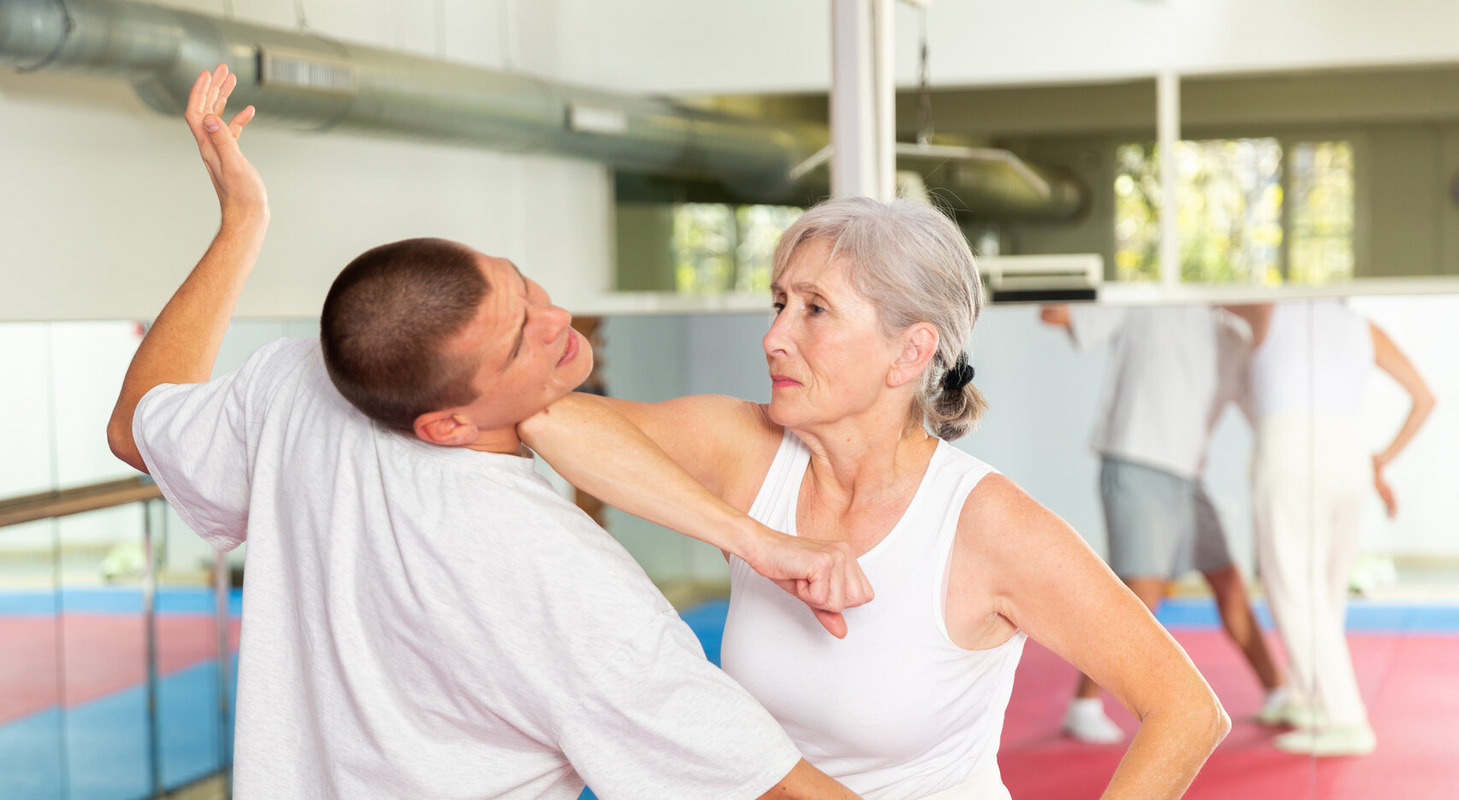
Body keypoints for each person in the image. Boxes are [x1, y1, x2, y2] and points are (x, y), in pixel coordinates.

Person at [105, 64, 871, 799]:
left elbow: (137, 424)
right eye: (520, 343)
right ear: (446, 425)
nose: (559, 321)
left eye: (521, 285)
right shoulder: (557, 575)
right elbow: (776, 791)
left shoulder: (295, 385)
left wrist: (242, 223)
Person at [519, 197, 1230, 800]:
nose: (773, 337)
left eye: (815, 310)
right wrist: (754, 539)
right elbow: (550, 418)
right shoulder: (748, 449)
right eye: (779, 303)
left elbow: (1185, 710)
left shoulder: (984, 524)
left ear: (909, 352)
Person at [1038, 304, 1287, 743]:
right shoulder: (1151, 299)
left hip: (1187, 476)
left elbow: (1266, 416)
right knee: (1141, 593)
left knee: (1228, 582)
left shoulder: (1236, 340)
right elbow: (1060, 316)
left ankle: (1277, 691)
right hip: (1136, 460)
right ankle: (1083, 704)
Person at [1227, 300, 1434, 757]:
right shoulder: (1362, 326)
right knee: (1326, 589)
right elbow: (1426, 397)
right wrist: (1379, 462)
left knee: (1295, 588)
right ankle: (1308, 696)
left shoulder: (1267, 309)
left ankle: (1345, 718)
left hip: (1289, 450)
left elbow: (1208, 300)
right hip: (1349, 455)